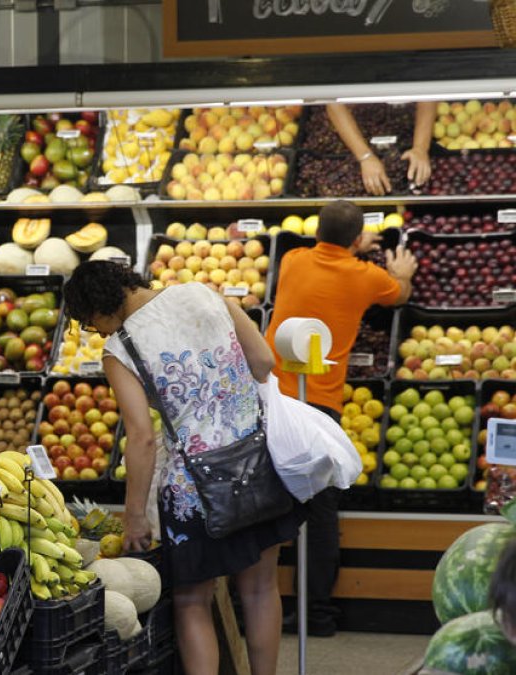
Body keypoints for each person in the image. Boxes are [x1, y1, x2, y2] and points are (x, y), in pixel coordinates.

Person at [65, 261, 297, 675]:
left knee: (192, 601)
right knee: (261, 589)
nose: (96, 331)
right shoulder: (203, 293)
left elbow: (141, 438)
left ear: (98, 307)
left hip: (195, 491)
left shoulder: (120, 350)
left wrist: (134, 515)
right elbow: (262, 361)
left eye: (88, 323)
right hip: (256, 462)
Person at [265, 200, 416, 637]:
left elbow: (324, 251)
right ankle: (317, 614)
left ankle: (252, 601)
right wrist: (400, 271)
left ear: (316, 232)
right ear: (356, 240)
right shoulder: (366, 276)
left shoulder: (293, 261)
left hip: (274, 400)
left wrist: (349, 243)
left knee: (269, 500)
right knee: (320, 510)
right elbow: (399, 294)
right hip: (319, 406)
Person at [326, 102, 435, 196]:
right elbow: (332, 99)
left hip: (407, 120)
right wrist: (365, 156)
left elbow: (428, 88)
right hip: (358, 118)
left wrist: (421, 147)